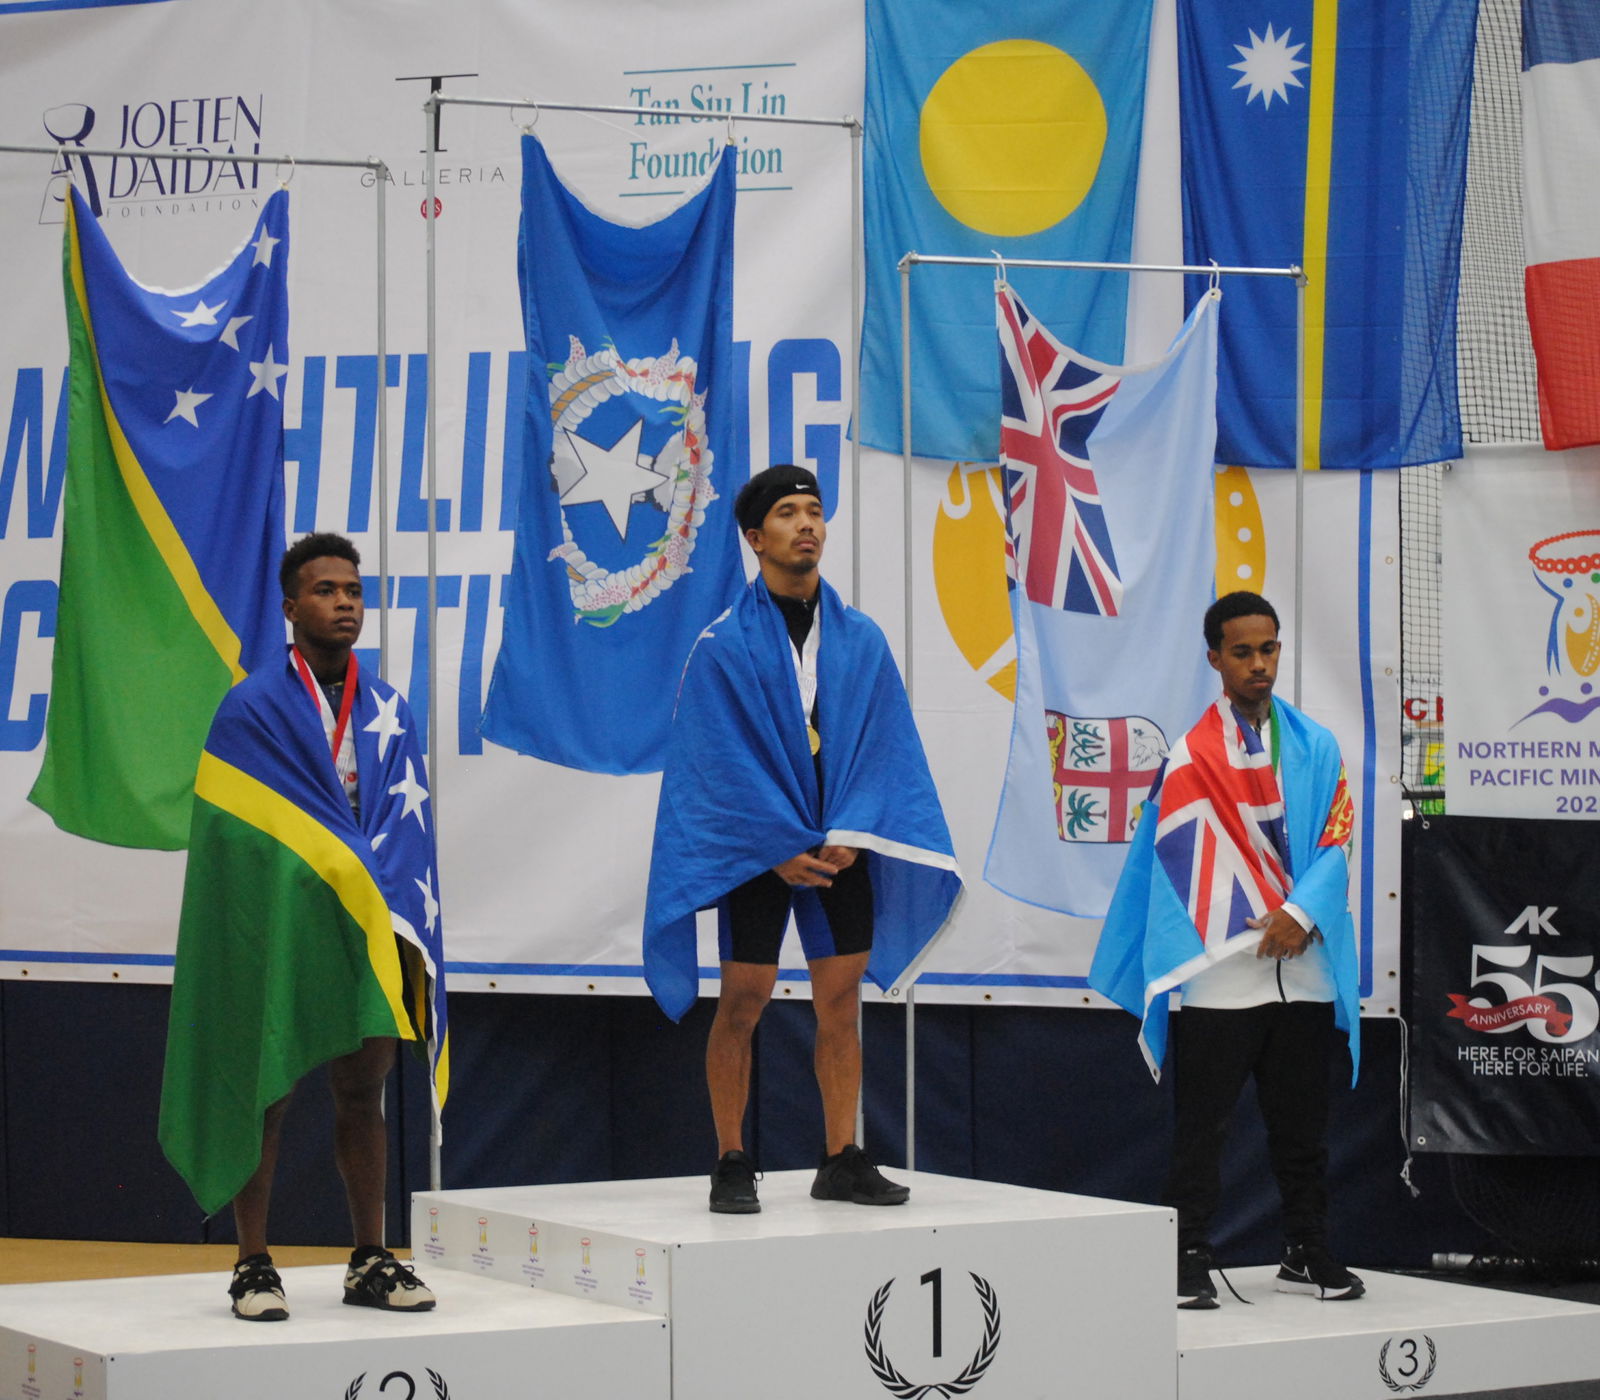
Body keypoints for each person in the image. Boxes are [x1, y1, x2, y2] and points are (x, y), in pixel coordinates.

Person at [642, 465, 962, 1214]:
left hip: (839, 844)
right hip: (761, 853)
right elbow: (713, 763)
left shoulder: (861, 640)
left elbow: (885, 746)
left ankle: (840, 1157)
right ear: (756, 539)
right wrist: (773, 843)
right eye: (787, 514)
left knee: (841, 1001)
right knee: (744, 1000)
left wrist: (854, 831)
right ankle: (730, 1158)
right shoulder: (722, 645)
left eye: (815, 511)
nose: (807, 524)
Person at [159, 533, 445, 1321]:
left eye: (353, 590)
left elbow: (404, 832)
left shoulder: (388, 709)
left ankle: (369, 1257)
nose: (344, 602)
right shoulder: (250, 708)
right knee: (268, 1090)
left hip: (364, 928)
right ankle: (253, 1264)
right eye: (325, 590)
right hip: (282, 926)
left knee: (364, 1090)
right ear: (291, 609)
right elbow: (233, 837)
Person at [1089, 591, 1363, 1309]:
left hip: (1300, 967)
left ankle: (1307, 1249)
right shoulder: (1190, 755)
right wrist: (1256, 917)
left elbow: (1337, 837)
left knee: (1303, 1127)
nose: (1259, 665)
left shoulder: (1317, 745)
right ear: (1214, 658)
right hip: (1220, 973)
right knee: (1202, 1129)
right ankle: (1187, 1256)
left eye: (1268, 649)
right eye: (1242, 652)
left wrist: (1299, 912)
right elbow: (1176, 854)